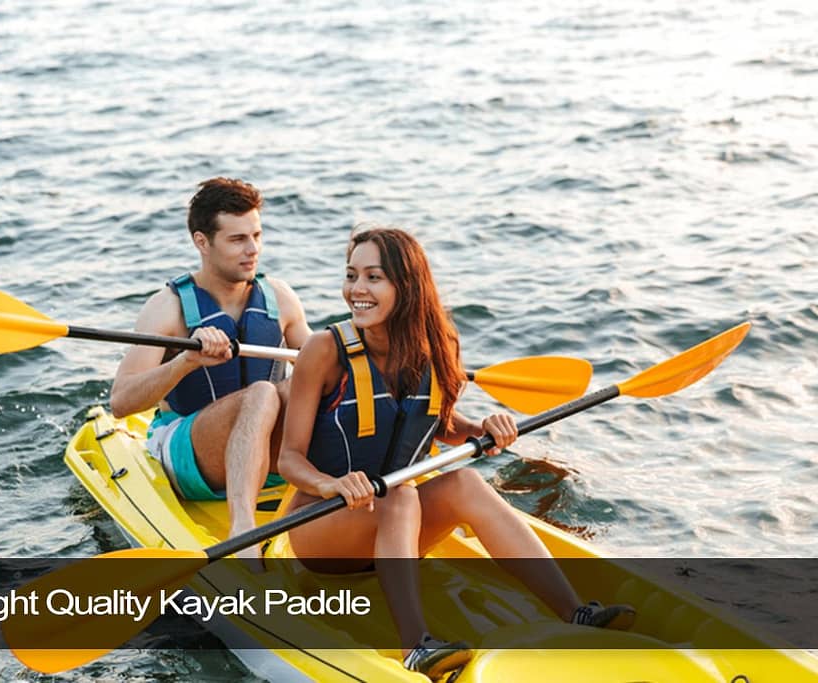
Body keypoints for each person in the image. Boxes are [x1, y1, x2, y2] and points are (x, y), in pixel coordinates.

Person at [277, 227, 634, 679]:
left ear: (407, 286)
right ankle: (415, 648)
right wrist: (332, 485)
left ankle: (575, 610)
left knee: (463, 481)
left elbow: (433, 421)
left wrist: (483, 428)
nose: (357, 290)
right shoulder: (324, 350)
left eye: (373, 277)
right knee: (403, 495)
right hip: (322, 530)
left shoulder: (436, 345)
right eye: (352, 276)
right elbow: (290, 458)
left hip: (391, 524)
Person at [111, 177, 311, 559]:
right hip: (187, 449)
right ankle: (242, 532)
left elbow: (321, 368)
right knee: (263, 393)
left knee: (305, 382)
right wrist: (187, 361)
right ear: (202, 242)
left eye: (256, 235)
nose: (253, 250)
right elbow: (121, 403)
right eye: (237, 240)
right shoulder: (167, 308)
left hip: (262, 444)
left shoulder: (280, 297)